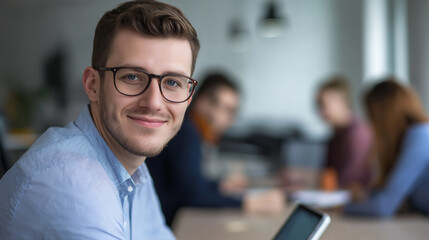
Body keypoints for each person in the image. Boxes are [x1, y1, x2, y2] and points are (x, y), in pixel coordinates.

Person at [0, 0, 200, 238]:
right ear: (93, 85)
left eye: (172, 82)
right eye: (133, 77)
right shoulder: (70, 181)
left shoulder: (133, 170)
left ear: (188, 98)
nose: (154, 102)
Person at [147, 73, 285, 226]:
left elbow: (189, 183)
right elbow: (193, 196)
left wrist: (219, 186)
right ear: (201, 102)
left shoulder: (193, 130)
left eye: (233, 112)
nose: (230, 120)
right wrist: (251, 203)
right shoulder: (186, 132)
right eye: (226, 110)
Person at [345, 79, 429, 217]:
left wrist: (343, 208)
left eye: (371, 117)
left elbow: (383, 207)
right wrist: (367, 193)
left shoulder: (421, 136)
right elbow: (391, 195)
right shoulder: (413, 136)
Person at [316, 76, 372, 189]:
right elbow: (328, 174)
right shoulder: (336, 135)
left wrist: (306, 176)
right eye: (318, 105)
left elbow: (347, 179)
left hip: (356, 201)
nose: (321, 112)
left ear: (343, 102)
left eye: (324, 104)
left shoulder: (358, 134)